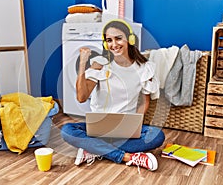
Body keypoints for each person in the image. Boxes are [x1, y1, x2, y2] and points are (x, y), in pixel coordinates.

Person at [61, 19, 165, 173]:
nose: (114, 44)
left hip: (125, 128)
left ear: (130, 39)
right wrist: (83, 63)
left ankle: (93, 148)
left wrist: (133, 126)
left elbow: (144, 103)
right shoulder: (100, 64)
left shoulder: (144, 68)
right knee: (66, 130)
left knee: (157, 136)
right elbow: (82, 97)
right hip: (99, 127)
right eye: (109, 40)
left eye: (118, 38)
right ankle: (127, 157)